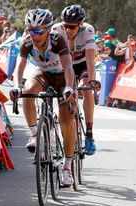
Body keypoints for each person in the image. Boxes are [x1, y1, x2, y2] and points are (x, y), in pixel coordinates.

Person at [9, 9, 76, 186]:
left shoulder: (57, 39)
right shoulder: (27, 41)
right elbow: (19, 67)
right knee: (28, 89)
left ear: (48, 29)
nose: (35, 34)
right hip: (43, 74)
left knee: (67, 119)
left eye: (39, 30)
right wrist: (16, 86)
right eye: (31, 30)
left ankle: (67, 167)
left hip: (63, 76)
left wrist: (69, 87)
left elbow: (69, 66)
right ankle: (34, 134)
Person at [52, 5, 100, 155]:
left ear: (80, 24)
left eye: (72, 27)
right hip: (65, 65)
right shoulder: (56, 29)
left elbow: (91, 58)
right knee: (67, 91)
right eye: (66, 25)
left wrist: (92, 81)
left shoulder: (88, 30)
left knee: (86, 89)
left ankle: (89, 134)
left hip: (83, 64)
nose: (68, 30)